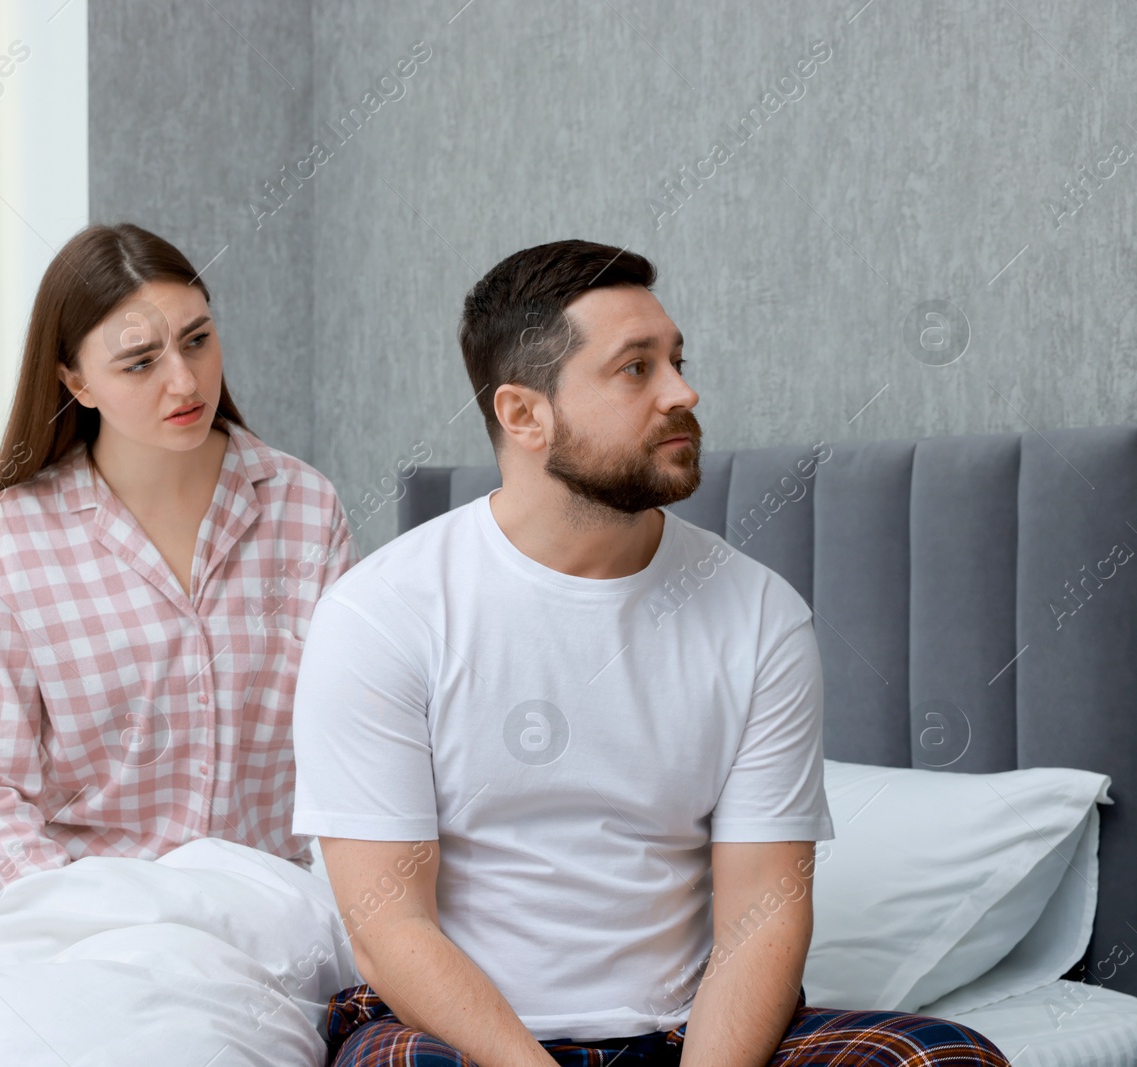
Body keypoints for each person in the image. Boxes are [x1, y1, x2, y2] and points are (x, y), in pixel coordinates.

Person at [290, 240, 1010, 1066]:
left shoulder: (760, 615)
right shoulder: (381, 615)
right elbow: (390, 926)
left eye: (677, 359)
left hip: (687, 1034)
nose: (683, 391)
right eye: (637, 369)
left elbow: (763, 913)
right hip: (465, 1039)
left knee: (943, 1058)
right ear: (524, 414)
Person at [0, 222, 355, 902]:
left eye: (198, 339)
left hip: (262, 919)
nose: (185, 381)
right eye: (140, 361)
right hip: (79, 927)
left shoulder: (305, 508)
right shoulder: (11, 538)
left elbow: (354, 746)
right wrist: (78, 917)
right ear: (76, 381)